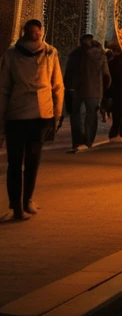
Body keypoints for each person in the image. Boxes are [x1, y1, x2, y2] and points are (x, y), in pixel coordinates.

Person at [0, 20, 64, 221]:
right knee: (31, 162)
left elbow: (3, 89)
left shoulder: (11, 54)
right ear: (41, 33)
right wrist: (57, 114)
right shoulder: (50, 52)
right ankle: (26, 201)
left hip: (17, 115)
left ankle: (17, 205)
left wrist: (1, 120)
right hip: (40, 114)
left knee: (15, 162)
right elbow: (57, 87)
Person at [66, 34, 108, 152]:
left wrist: (68, 87)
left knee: (76, 116)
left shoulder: (75, 54)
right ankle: (88, 140)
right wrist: (103, 90)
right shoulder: (100, 55)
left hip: (77, 90)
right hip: (94, 90)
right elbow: (106, 75)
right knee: (91, 115)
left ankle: (78, 141)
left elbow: (68, 73)